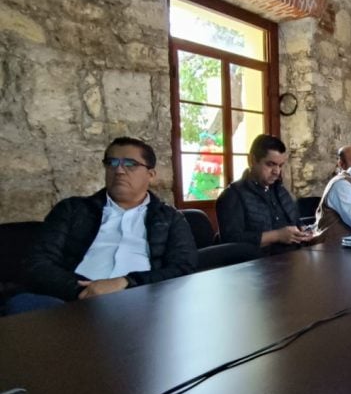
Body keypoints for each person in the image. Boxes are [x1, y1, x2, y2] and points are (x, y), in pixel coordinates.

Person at [9, 137, 197, 314]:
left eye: (130, 164)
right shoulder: (72, 210)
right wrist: (85, 290)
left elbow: (182, 268)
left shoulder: (170, 218)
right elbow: (38, 263)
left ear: (151, 175)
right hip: (72, 303)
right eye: (112, 163)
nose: (119, 170)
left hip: (140, 303)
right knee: (24, 304)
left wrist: (127, 282)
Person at [217, 134, 311, 255]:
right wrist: (277, 236)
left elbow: (297, 222)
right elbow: (231, 241)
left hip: (294, 257)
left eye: (280, 165)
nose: (277, 172)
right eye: (270, 164)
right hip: (257, 263)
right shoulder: (232, 195)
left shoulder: (280, 190)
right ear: (252, 160)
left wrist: (304, 231)